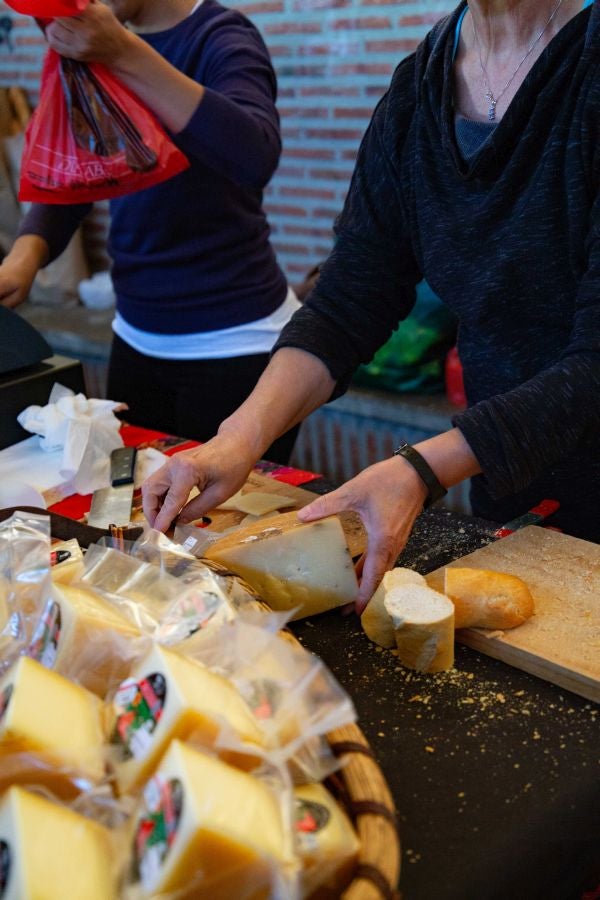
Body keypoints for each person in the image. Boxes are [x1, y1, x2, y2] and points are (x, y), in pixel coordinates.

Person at [143, 0, 600, 612]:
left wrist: (421, 467)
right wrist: (237, 438)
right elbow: (351, 297)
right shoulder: (421, 85)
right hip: (516, 480)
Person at [0, 0, 300, 463]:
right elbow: (76, 175)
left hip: (237, 344)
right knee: (138, 510)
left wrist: (123, 51)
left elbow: (254, 156)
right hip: (137, 338)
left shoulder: (220, 35)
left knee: (231, 523)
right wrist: (24, 256)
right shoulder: (97, 46)